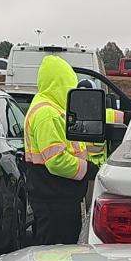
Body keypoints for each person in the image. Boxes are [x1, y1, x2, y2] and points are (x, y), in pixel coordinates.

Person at [24, 55, 105, 244]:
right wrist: (89, 169)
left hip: (57, 197)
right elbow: (56, 161)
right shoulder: (47, 113)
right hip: (54, 199)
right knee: (55, 254)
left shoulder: (53, 108)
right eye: (70, 84)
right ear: (61, 83)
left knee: (58, 252)